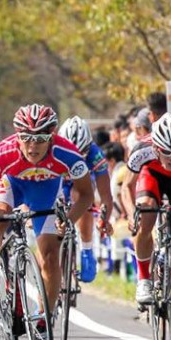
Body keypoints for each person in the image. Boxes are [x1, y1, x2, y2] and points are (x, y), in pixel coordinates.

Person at [0, 104, 93, 340]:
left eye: (40, 139)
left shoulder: (66, 153)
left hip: (45, 192)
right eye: (26, 138)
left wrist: (68, 220)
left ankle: (42, 326)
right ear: (18, 137)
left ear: (52, 136)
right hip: (11, 185)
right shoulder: (3, 153)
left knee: (49, 255)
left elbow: (86, 195)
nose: (33, 146)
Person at [121, 113, 171, 304]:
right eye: (167, 151)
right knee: (146, 211)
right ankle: (144, 279)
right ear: (155, 147)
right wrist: (130, 214)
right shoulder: (141, 150)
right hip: (152, 176)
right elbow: (127, 187)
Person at [57, 115, 113, 282]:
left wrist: (105, 219)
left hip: (82, 185)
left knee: (82, 198)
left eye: (82, 154)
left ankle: (87, 250)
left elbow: (106, 195)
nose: (77, 158)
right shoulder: (53, 151)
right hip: (59, 183)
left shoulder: (96, 155)